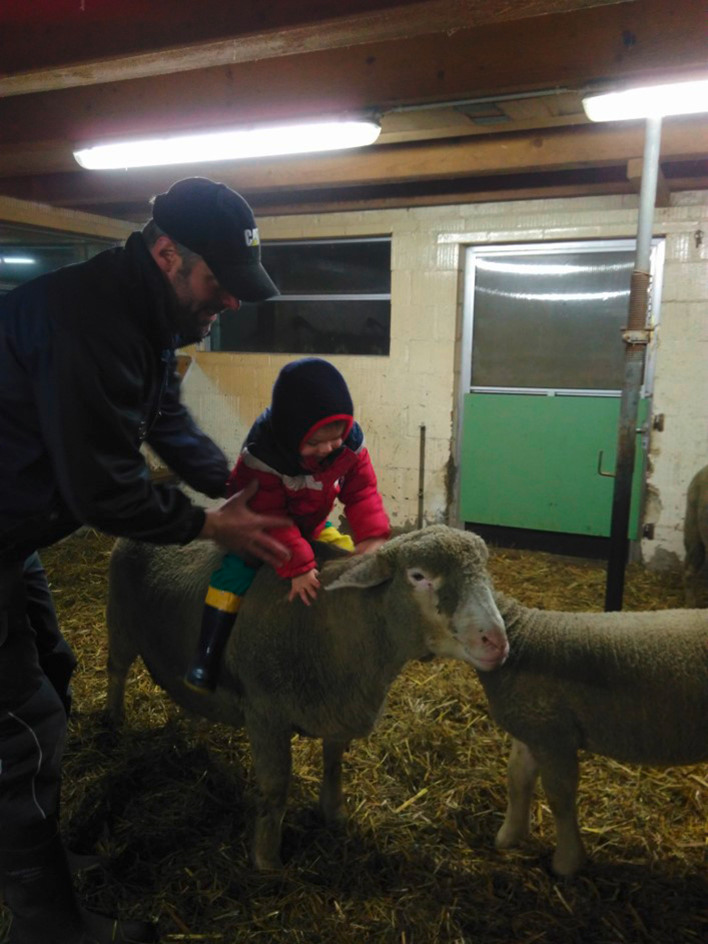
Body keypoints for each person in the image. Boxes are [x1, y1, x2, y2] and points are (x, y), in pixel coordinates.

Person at [0, 176, 293, 944]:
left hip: (13, 529)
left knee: (53, 668)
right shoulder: (85, 322)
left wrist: (236, 489)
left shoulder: (144, 318)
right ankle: (46, 924)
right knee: (21, 720)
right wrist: (212, 527)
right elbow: (105, 494)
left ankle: (29, 850)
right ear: (168, 253)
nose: (229, 302)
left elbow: (163, 416)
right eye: (218, 284)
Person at [184, 356, 391, 692]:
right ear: (290, 433)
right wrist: (298, 564)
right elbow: (271, 517)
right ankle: (207, 656)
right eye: (313, 443)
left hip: (311, 525)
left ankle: (345, 644)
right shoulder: (263, 457)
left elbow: (362, 491)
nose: (326, 449)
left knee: (346, 554)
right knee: (234, 572)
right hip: (258, 529)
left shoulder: (349, 446)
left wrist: (371, 538)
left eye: (335, 437)